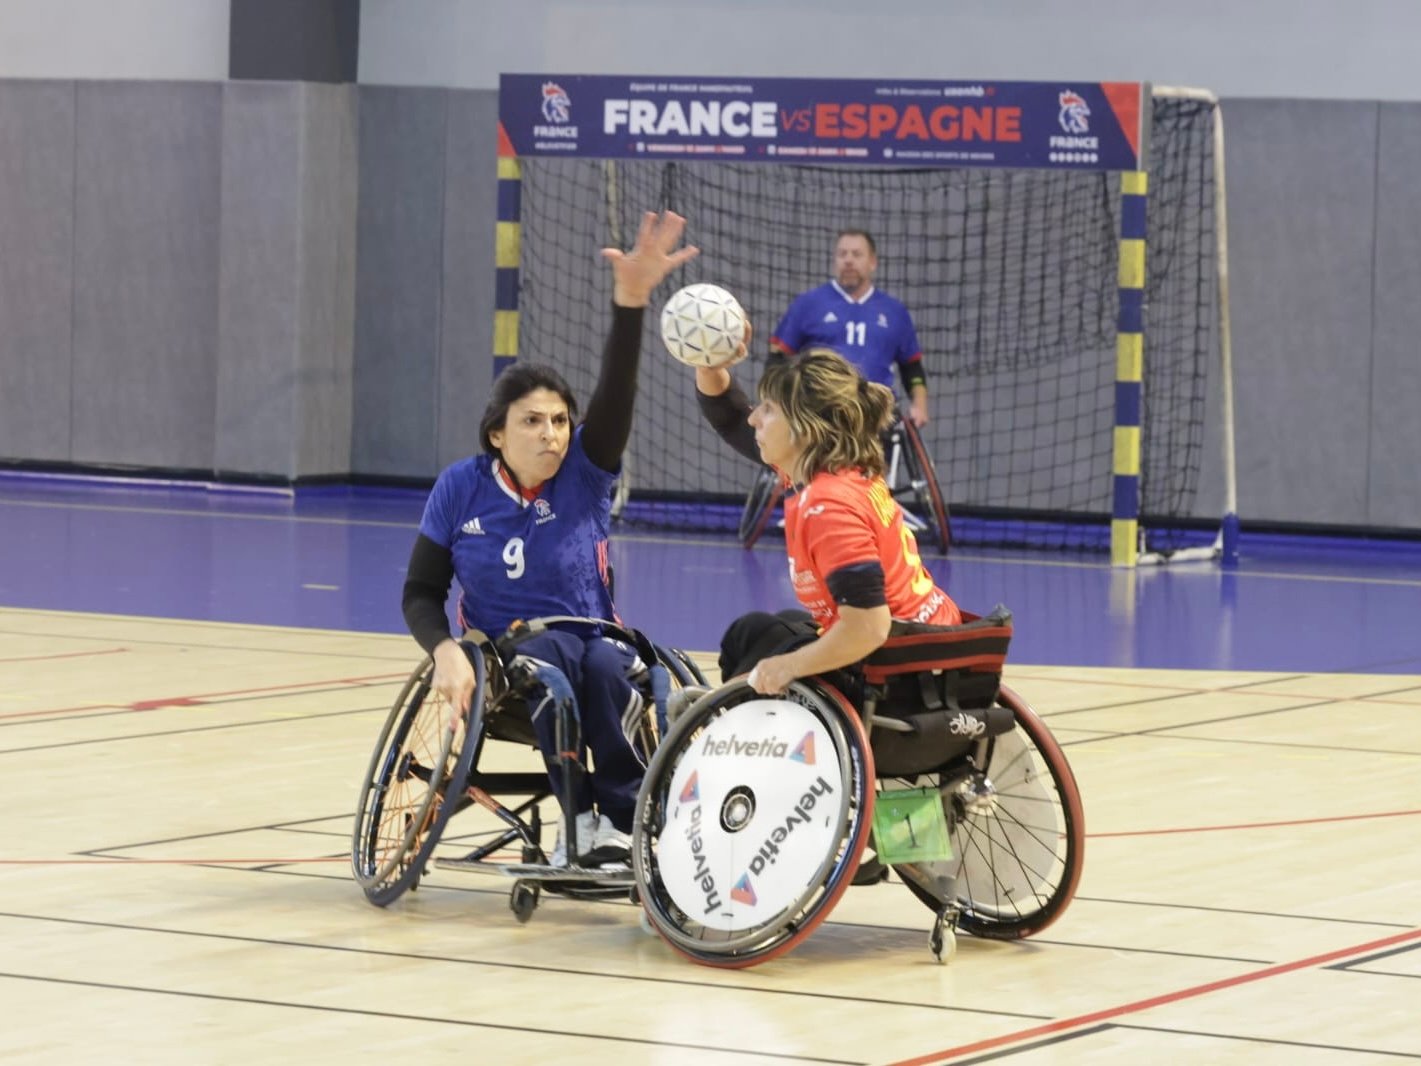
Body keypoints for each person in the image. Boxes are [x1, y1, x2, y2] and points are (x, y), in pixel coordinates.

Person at [401, 210, 698, 867]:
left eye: (560, 420)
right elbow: (420, 591)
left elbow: (616, 394)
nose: (551, 434)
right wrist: (444, 649)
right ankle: (580, 817)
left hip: (593, 637)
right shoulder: (460, 487)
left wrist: (630, 304)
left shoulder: (585, 477)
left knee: (602, 664)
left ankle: (619, 823)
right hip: (508, 656)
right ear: (496, 434)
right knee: (553, 666)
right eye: (531, 421)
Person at [693, 343, 961, 693]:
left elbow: (868, 627)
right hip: (922, 641)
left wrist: (786, 667)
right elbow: (730, 419)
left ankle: (737, 725)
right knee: (756, 631)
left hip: (895, 669)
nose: (753, 417)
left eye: (769, 410)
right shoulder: (835, 469)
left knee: (763, 658)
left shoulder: (828, 507)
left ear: (804, 429)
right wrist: (708, 364)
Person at [770, 229, 930, 427]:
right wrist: (778, 405)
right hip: (820, 418)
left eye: (856, 254)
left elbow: (912, 368)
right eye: (842, 254)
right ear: (834, 260)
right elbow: (777, 360)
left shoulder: (894, 312)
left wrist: (919, 405)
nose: (848, 260)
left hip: (876, 419)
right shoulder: (808, 304)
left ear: (873, 262)